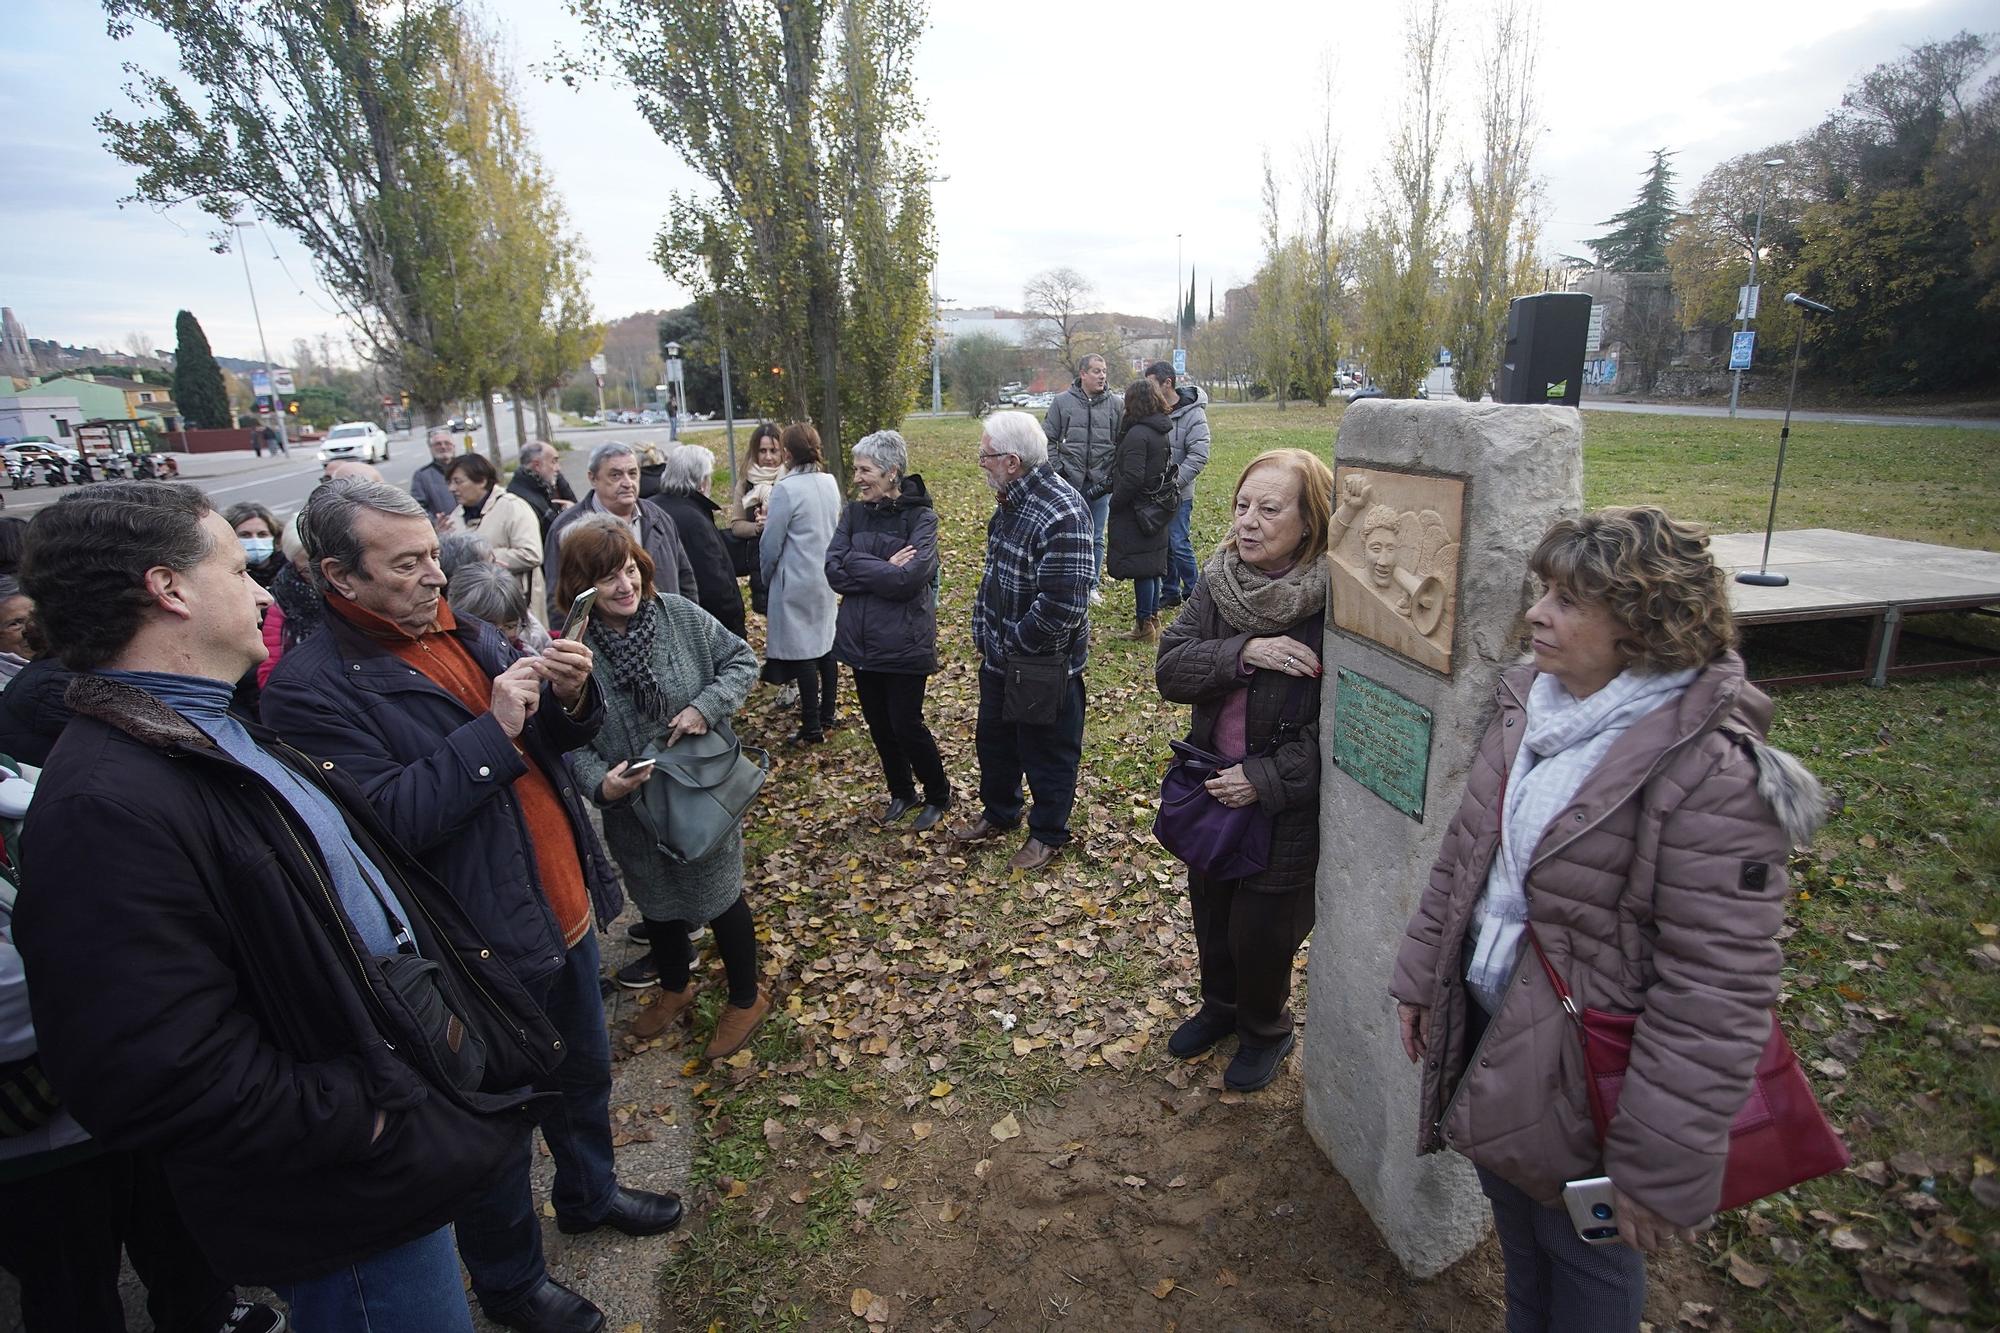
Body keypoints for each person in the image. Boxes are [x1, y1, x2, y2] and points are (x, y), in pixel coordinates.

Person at [14, 481, 564, 1333]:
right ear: (170, 590)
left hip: (374, 1138)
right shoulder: (105, 804)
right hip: (342, 1184)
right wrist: (368, 1112)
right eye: (239, 569)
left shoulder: (209, 728)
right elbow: (144, 1069)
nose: (266, 590)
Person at [1390, 507, 1827, 1330]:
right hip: (1495, 1021)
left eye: (1568, 600)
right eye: (1543, 590)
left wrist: (1659, 1165)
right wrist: (1423, 975)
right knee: (1519, 1227)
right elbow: (1466, 856)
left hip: (1597, 1071)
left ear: (1645, 626)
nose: (1537, 614)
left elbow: (1716, 995)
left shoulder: (1713, 775)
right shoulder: (1533, 703)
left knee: (1584, 1254)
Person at [261, 480, 682, 1333]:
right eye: (406, 564)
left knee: (583, 1076)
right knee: (495, 1128)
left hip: (557, 911)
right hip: (477, 950)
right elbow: (391, 821)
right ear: (340, 576)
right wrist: (492, 728)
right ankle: (511, 1280)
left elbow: (549, 744)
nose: (434, 578)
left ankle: (590, 1191)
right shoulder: (311, 690)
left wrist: (572, 696)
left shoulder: (463, 629)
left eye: (432, 555)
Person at [555, 520, 770, 1054]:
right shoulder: (573, 653)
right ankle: (676, 987)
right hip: (633, 810)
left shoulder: (678, 616)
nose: (625, 586)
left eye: (629, 571)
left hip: (700, 793)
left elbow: (742, 660)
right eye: (607, 579)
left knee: (720, 897)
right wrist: (600, 786)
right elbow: (563, 737)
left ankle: (747, 998)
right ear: (583, 587)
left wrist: (704, 706)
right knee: (655, 899)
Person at [1155, 448, 1333, 1093]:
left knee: (1262, 929)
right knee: (1212, 908)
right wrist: (1246, 651)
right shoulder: (1220, 582)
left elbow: (1340, 728)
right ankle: (1221, 1009)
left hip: (1276, 799)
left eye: (1269, 509)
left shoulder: (1335, 602)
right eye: (1241, 506)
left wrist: (1262, 780)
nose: (1248, 523)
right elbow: (1171, 667)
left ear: (1310, 522)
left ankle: (1265, 1027)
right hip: (1211, 784)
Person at [951, 410, 1093, 872]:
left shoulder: (1062, 510)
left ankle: (1048, 832)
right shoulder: (1011, 500)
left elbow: (1062, 606)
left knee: (1047, 751)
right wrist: (985, 632)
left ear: (1012, 461)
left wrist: (1013, 643)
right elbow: (996, 575)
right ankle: (1000, 813)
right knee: (995, 742)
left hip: (1041, 666)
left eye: (985, 456)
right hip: (1000, 659)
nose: (980, 463)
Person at [826, 430, 948, 830]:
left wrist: (858, 562)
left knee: (905, 723)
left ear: (892, 472)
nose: (858, 478)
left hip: (904, 639)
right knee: (878, 724)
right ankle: (901, 790)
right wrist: (882, 566)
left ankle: (936, 793)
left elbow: (908, 580)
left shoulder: (921, 517)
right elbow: (833, 570)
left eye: (866, 470)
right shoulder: (853, 513)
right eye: (857, 469)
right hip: (861, 642)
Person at [542, 442, 697, 629]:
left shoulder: (658, 518)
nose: (627, 483)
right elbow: (558, 600)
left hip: (665, 637)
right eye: (615, 475)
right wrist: (570, 646)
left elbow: (685, 580)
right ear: (592, 478)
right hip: (602, 647)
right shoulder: (568, 529)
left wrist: (688, 630)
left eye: (632, 473)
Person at [760, 423, 842, 744]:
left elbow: (771, 543)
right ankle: (828, 713)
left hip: (795, 577)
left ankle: (811, 726)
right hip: (825, 575)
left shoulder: (786, 489)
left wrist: (767, 576)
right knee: (825, 643)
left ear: (788, 453)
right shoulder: (830, 482)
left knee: (804, 651)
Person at [1042, 353, 1122, 605]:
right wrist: (1058, 469)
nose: (1102, 376)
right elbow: (1047, 439)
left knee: (1096, 536)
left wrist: (1111, 476)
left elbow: (1122, 443)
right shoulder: (1062, 403)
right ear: (1083, 374)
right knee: (1066, 535)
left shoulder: (1116, 405)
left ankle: (1091, 586)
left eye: (1104, 371)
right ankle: (1066, 582)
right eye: (1097, 371)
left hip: (1101, 484)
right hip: (1068, 482)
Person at [651, 444, 747, 639]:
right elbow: (715, 584)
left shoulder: (651, 509)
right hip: (704, 628)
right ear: (701, 482)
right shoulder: (695, 520)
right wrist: (736, 629)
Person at [1107, 379, 1173, 643]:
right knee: (1153, 565)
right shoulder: (1159, 430)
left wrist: (1116, 502)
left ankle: (1145, 624)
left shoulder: (1137, 434)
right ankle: (1153, 618)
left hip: (1138, 511)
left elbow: (1133, 476)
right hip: (1155, 507)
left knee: (1143, 569)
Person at [1143, 360, 1211, 609]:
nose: (1148, 390)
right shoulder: (1153, 411)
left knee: (1179, 541)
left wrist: (1173, 482)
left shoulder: (1194, 413)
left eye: (1151, 384)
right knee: (1164, 544)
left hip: (1178, 492)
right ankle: (1170, 591)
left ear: (1167, 383)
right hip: (1154, 492)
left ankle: (1195, 593)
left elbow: (1199, 455)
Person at [443, 453, 545, 615]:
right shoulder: (455, 516)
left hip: (514, 604)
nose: (452, 489)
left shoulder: (512, 507)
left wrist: (484, 557)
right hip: (474, 607)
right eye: (449, 482)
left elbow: (531, 553)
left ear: (482, 481)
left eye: (458, 482)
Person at [726, 423, 785, 615]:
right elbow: (736, 524)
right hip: (760, 565)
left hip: (791, 565)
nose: (768, 457)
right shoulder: (745, 482)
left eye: (774, 451)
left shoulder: (791, 478)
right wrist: (757, 528)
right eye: (762, 451)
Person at [257, 517, 321, 689]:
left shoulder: (353, 591)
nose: (317, 571)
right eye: (307, 565)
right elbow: (269, 674)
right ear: (293, 562)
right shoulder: (284, 600)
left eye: (320, 559)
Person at [448, 560, 552, 656]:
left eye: (510, 626)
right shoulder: (455, 659)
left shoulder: (526, 655)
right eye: (490, 627)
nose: (501, 638)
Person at [508, 440, 577, 537]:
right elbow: (550, 535)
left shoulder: (547, 482)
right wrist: (569, 515)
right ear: (537, 465)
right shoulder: (523, 498)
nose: (558, 468)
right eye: (553, 461)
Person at [225, 502, 288, 587]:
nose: (255, 540)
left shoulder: (291, 570)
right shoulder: (225, 575)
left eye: (262, 534)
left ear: (275, 537)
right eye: (245, 535)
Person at [411, 430, 457, 523]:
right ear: (431, 448)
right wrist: (436, 523)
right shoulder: (422, 476)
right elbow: (418, 509)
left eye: (447, 443)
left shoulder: (467, 469)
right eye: (438, 444)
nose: (443, 447)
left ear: (453, 446)